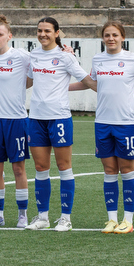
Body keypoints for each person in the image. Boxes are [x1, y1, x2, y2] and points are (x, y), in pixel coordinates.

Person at [80, 20, 134, 234]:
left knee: (127, 170)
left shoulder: (132, 59)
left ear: (122, 37)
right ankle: (112, 219)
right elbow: (93, 84)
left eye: (115, 35)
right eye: (107, 35)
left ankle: (128, 220)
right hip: (102, 122)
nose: (111, 38)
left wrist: (133, 94)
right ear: (103, 38)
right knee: (109, 171)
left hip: (126, 123)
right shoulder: (98, 59)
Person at [24, 17, 87, 231]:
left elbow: (86, 81)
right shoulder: (33, 55)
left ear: (57, 32)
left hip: (59, 118)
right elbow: (29, 81)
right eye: (40, 30)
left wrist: (65, 88)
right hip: (36, 119)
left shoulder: (65, 57)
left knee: (64, 167)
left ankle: (65, 218)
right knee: (41, 168)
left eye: (47, 31)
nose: (43, 34)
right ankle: (42, 217)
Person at [0, 15, 32, 228]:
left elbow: (35, 74)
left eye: (0, 34)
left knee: (19, 169)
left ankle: (22, 214)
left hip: (17, 120)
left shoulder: (22, 56)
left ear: (9, 36)